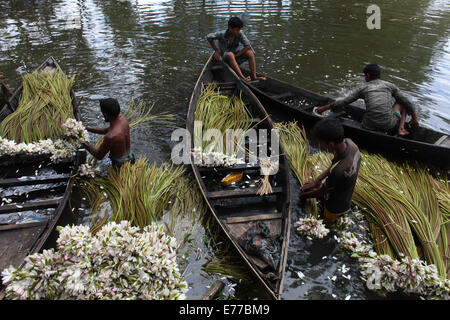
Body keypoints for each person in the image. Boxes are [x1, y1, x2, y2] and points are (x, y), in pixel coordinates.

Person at [315, 63, 419, 136]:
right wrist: (414, 118)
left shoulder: (363, 88)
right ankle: (401, 129)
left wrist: (323, 109)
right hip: (388, 125)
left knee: (401, 102)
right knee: (402, 102)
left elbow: (344, 101)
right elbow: (408, 102)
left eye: (365, 76)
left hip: (368, 125)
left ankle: (400, 129)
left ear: (368, 76)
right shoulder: (389, 86)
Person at [300, 118, 361, 224]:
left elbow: (322, 192)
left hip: (335, 207)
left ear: (331, 144)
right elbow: (335, 165)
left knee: (329, 223)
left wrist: (303, 196)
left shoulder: (338, 172)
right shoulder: (350, 144)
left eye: (321, 142)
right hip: (347, 195)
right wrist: (318, 180)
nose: (320, 144)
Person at [206, 16, 266, 82]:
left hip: (235, 57)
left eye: (239, 30)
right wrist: (216, 50)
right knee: (230, 54)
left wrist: (237, 55)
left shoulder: (240, 34)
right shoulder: (221, 34)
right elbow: (209, 37)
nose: (238, 32)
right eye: (237, 30)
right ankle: (243, 78)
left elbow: (248, 46)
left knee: (250, 53)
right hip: (224, 58)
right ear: (230, 28)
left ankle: (254, 76)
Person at [83, 98, 135, 169]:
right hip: (131, 156)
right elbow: (108, 130)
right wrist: (88, 128)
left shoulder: (110, 137)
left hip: (120, 164)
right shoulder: (123, 119)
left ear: (105, 115)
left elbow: (99, 156)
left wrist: (82, 143)